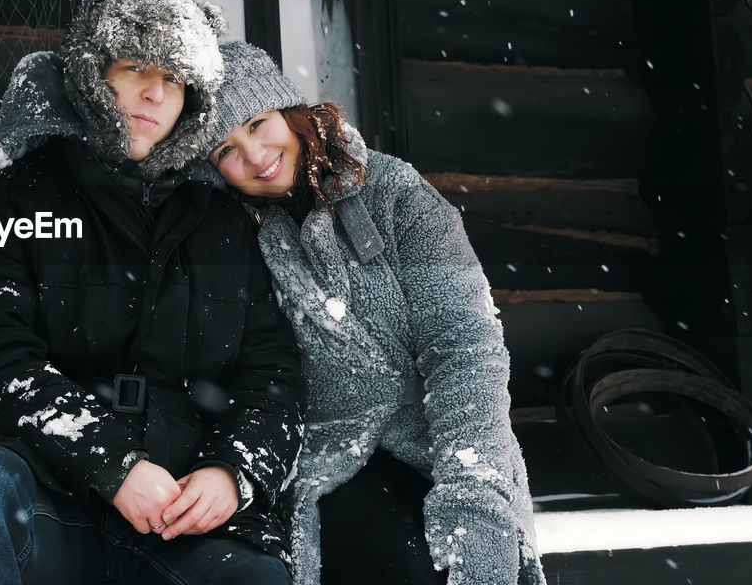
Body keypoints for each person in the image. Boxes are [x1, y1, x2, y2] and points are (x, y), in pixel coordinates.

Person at [0, 0, 304, 585]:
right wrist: (112, 464)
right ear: (93, 75)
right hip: (45, 494)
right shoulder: (9, 200)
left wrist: (232, 473)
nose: (156, 95)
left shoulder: (222, 223)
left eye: (175, 82)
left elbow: (273, 373)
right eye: (136, 70)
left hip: (182, 520)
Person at [203, 41, 546, 585]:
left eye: (258, 123)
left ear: (290, 112)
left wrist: (471, 492)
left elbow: (466, 346)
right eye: (224, 149)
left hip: (445, 436)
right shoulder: (232, 237)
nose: (253, 155)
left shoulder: (395, 193)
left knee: (466, 559)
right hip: (330, 458)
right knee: (396, 565)